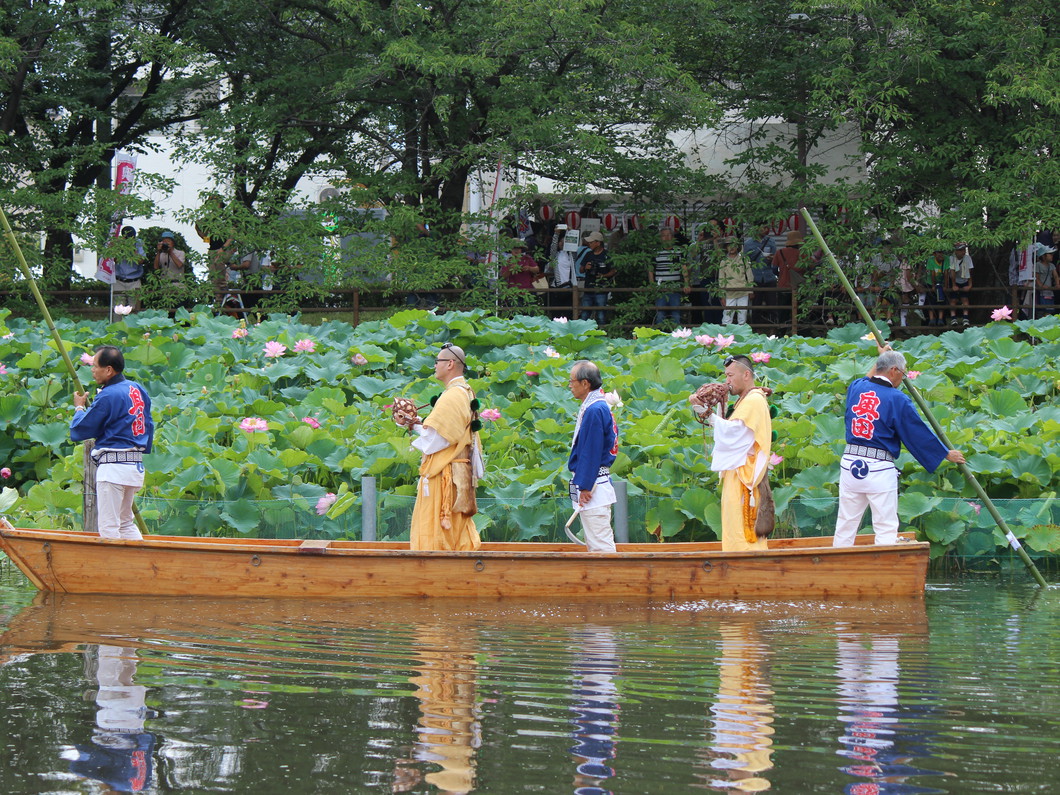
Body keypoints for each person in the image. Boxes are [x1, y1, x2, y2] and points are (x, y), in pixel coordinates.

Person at [833, 346, 965, 547]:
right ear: (894, 370)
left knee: (845, 523)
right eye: (903, 374)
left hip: (850, 465)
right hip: (878, 468)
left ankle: (835, 570)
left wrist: (880, 357)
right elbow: (916, 433)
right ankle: (885, 573)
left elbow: (870, 376)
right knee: (885, 526)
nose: (902, 379)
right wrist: (945, 453)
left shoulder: (856, 387)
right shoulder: (897, 398)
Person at [401, 344, 483, 551]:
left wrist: (414, 425)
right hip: (458, 473)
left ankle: (436, 574)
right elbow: (443, 433)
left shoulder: (453, 395)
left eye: (437, 361)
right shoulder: (464, 391)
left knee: (438, 529)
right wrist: (417, 422)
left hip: (445, 474)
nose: (434, 366)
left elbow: (437, 440)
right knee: (456, 528)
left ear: (450, 364)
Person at [70, 346, 154, 540]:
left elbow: (81, 430)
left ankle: (116, 570)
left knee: (109, 527)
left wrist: (79, 409)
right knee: (125, 524)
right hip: (134, 466)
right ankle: (141, 565)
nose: (92, 370)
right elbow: (148, 423)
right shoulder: (137, 388)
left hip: (113, 469)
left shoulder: (108, 395)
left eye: (95, 366)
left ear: (108, 370)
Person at [694, 355, 772, 552]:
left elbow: (733, 434)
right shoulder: (745, 400)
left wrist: (706, 413)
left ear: (746, 374)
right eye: (725, 376)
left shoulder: (754, 400)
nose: (726, 381)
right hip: (737, 473)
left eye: (730, 375)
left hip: (744, 477)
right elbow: (732, 432)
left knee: (742, 529)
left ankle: (747, 571)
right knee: (733, 526)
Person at [567, 360, 618, 552]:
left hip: (594, 486)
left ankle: (611, 582)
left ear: (585, 383)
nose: (570, 386)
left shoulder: (595, 409)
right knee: (597, 542)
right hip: (597, 482)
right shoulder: (598, 405)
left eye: (572, 381)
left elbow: (591, 450)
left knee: (600, 545)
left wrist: (585, 486)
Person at [576, 231, 615, 324]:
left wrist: (603, 276)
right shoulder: (588, 254)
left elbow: (614, 270)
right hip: (588, 288)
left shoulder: (607, 255)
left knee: (601, 315)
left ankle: (602, 334)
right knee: (584, 314)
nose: (589, 244)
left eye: (591, 242)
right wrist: (586, 267)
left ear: (598, 243)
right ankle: (582, 335)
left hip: (601, 288)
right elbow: (581, 269)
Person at [771, 230, 804, 327]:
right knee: (800, 312)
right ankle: (800, 332)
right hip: (799, 287)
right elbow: (810, 267)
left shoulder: (779, 252)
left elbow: (773, 269)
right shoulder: (802, 253)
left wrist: (781, 275)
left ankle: (781, 332)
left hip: (783, 286)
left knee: (783, 312)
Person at [651, 227, 684, 325]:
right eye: (663, 235)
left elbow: (684, 268)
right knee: (660, 314)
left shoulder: (679, 251)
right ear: (660, 238)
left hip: (675, 288)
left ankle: (677, 337)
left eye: (668, 235)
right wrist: (652, 284)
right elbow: (651, 270)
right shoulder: (655, 251)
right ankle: (660, 336)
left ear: (673, 237)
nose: (666, 238)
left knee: (676, 314)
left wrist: (686, 283)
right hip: (660, 288)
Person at [717, 238, 754, 325]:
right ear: (726, 248)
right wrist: (722, 296)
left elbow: (749, 276)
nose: (731, 248)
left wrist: (750, 290)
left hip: (743, 291)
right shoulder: (724, 262)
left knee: (742, 316)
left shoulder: (744, 260)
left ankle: (741, 336)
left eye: (733, 245)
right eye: (729, 245)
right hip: (729, 292)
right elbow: (721, 279)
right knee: (727, 316)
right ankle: (725, 336)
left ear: (737, 246)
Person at [112, 226, 146, 312]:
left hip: (134, 281)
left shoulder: (138, 243)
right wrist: (119, 249)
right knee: (118, 309)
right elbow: (114, 260)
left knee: (134, 309)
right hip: (119, 280)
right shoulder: (117, 243)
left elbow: (141, 260)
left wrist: (133, 250)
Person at [946, 242, 974, 326]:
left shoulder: (967, 258)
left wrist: (969, 284)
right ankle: (953, 318)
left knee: (965, 299)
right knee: (953, 300)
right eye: (961, 250)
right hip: (954, 280)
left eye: (963, 250)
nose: (963, 252)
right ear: (956, 251)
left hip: (964, 279)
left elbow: (969, 271)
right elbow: (952, 271)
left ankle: (965, 318)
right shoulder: (951, 258)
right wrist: (954, 285)